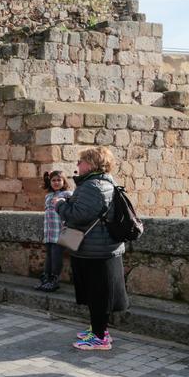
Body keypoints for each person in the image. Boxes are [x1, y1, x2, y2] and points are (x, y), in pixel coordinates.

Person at [56, 147, 128, 350]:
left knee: (98, 295)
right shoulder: (104, 181)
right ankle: (98, 330)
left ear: (91, 163)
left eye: (81, 161)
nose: (77, 165)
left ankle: (100, 338)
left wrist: (60, 204)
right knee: (97, 294)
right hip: (101, 248)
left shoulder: (92, 186)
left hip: (96, 250)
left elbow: (78, 215)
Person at [36, 170, 73, 292]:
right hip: (49, 232)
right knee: (49, 256)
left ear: (64, 181)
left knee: (57, 256)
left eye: (59, 180)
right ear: (50, 182)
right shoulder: (48, 196)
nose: (56, 182)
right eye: (53, 180)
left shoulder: (68, 195)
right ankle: (46, 279)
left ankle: (54, 280)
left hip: (61, 232)